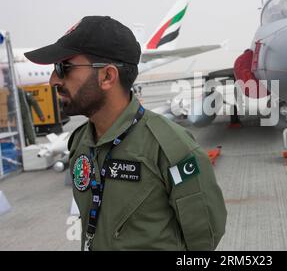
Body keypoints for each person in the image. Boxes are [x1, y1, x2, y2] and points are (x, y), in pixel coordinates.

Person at [24, 16, 227, 251]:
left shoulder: (171, 148)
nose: (53, 80)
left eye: (63, 68)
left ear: (108, 76)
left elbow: (205, 238)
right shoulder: (81, 142)